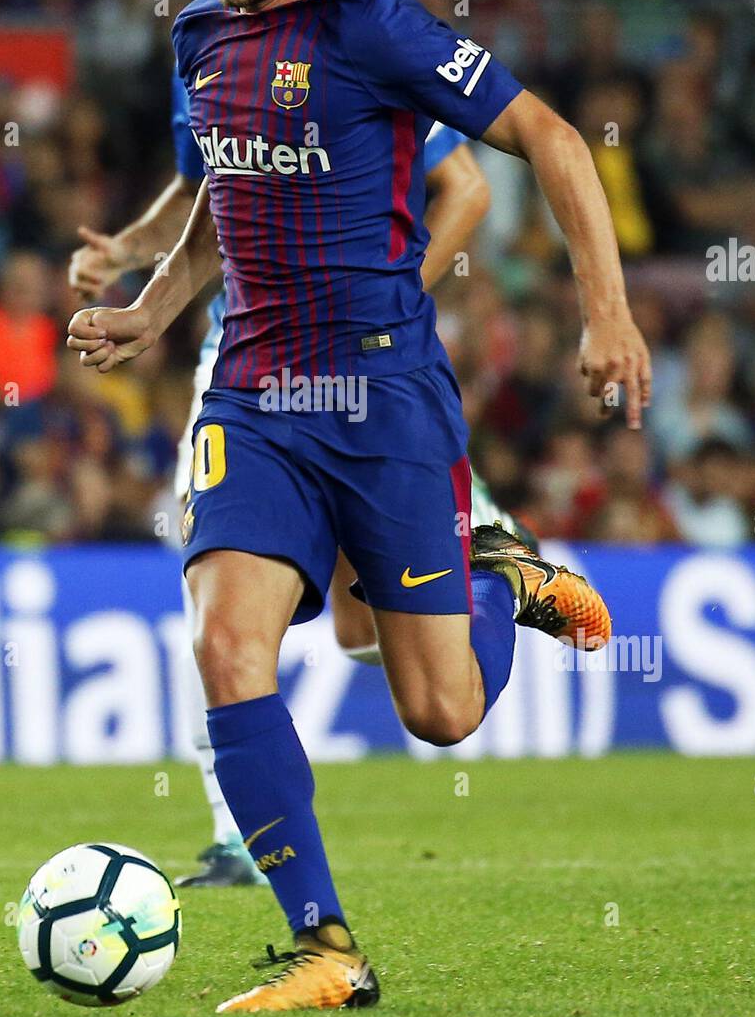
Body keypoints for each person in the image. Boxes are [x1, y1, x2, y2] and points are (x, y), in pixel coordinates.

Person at [67, 0, 650, 1014]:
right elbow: (223, 211)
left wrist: (607, 311)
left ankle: (504, 576)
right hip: (254, 401)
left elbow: (547, 139)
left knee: (437, 709)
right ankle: (324, 942)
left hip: (385, 402)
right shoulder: (199, 42)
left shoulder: (372, 24)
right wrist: (150, 313)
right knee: (228, 643)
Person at [70, 70, 533, 888]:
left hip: (356, 371)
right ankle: (243, 844)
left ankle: (493, 564)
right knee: (255, 608)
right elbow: (204, 189)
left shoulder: (348, 49)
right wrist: (130, 250)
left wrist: (381, 304)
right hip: (246, 371)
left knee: (396, 670)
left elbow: (462, 188)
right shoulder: (202, 51)